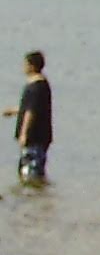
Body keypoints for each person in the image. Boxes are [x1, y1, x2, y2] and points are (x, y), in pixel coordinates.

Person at [14, 50, 49, 185]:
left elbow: (31, 111)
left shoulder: (35, 87)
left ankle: (32, 197)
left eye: (25, 64)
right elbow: (30, 107)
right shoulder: (42, 85)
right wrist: (14, 111)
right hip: (40, 137)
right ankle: (39, 198)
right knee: (34, 170)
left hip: (34, 138)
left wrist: (24, 134)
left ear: (32, 66)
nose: (23, 67)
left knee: (30, 173)